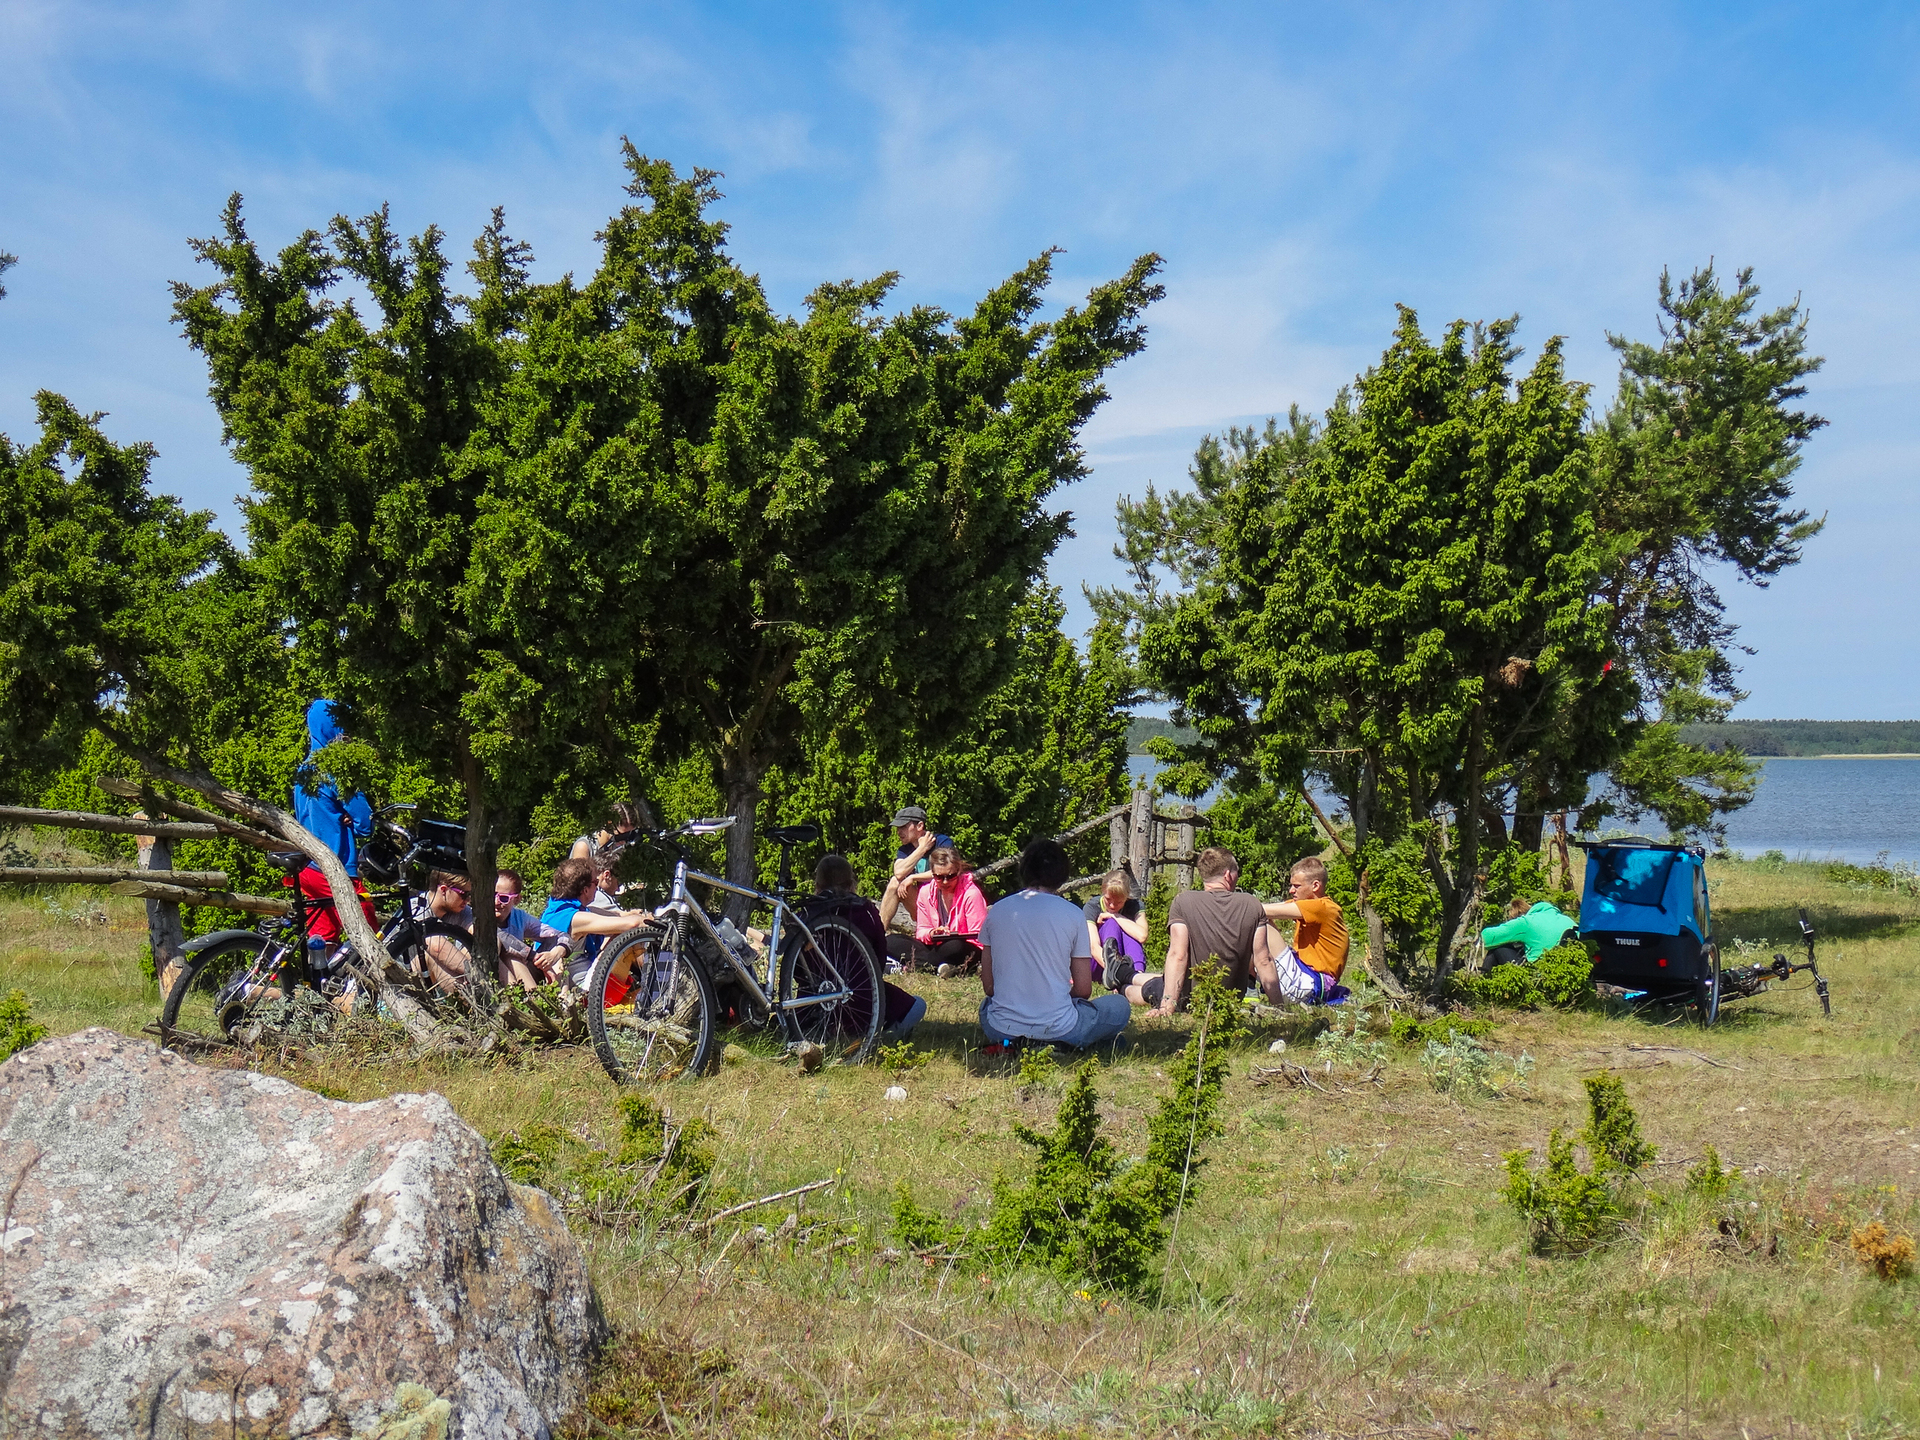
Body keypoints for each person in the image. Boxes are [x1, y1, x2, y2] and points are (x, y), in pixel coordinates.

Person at [978, 837, 1132, 1052]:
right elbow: (1083, 989)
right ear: (1061, 874)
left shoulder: (997, 911)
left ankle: (1026, 1043)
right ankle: (1065, 1043)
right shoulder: (1073, 914)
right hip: (1060, 1026)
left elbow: (989, 987)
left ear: (1024, 870)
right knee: (1120, 1006)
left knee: (986, 1006)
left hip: (1002, 1029)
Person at [1127, 846, 1283, 1015]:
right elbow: (1264, 960)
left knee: (1142, 988)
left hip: (1188, 1000)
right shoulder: (1252, 904)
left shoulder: (1184, 902)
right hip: (1229, 1000)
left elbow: (1178, 955)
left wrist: (1166, 1008)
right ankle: (1124, 976)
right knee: (1149, 982)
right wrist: (1279, 1007)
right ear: (1227, 875)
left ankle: (1123, 980)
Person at [804, 854, 926, 1040]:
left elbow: (797, 967)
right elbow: (879, 957)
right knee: (917, 1005)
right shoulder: (865, 910)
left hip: (813, 996)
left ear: (817, 885)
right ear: (851, 883)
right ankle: (888, 1034)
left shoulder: (807, 912)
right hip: (862, 993)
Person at [291, 698, 377, 944]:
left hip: (308, 867)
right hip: (334, 867)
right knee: (371, 935)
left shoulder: (304, 770)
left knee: (324, 938)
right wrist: (351, 822)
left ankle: (321, 970)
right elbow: (365, 823)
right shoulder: (336, 771)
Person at [540, 857, 657, 992]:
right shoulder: (576, 918)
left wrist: (638, 914)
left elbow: (618, 916)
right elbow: (632, 924)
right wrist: (652, 922)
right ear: (585, 890)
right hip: (584, 988)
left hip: (588, 976)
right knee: (624, 934)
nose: (598, 888)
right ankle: (655, 984)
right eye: (595, 883)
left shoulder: (560, 909)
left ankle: (651, 983)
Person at [1259, 855, 1351, 1005]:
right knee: (1257, 917)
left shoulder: (1323, 907)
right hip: (1305, 978)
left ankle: (1251, 988)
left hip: (1312, 984)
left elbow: (1261, 910)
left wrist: (1233, 904)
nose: (1291, 890)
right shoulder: (1309, 906)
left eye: (1297, 886)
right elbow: (1273, 908)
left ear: (1315, 886)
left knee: (1260, 920)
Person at [912, 844, 987, 976]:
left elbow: (978, 937)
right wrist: (932, 933)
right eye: (939, 877)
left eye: (950, 876)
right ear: (932, 874)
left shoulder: (971, 894)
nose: (945, 882)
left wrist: (952, 935)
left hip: (962, 947)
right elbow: (921, 931)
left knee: (954, 946)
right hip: (934, 945)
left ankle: (915, 965)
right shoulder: (925, 892)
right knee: (893, 941)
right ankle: (941, 967)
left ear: (958, 871)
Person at [878, 805, 951, 939]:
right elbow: (898, 873)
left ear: (920, 826)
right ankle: (877, 936)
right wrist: (922, 849)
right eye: (898, 828)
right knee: (895, 882)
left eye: (903, 827)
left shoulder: (942, 842)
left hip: (945, 906)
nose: (899, 832)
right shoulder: (905, 849)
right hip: (923, 907)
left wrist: (913, 878)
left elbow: (945, 872)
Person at [492, 868, 568, 993]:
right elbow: (501, 937)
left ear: (517, 899)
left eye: (503, 898)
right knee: (511, 956)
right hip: (492, 972)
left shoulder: (520, 918)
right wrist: (533, 955)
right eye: (492, 895)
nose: (496, 902)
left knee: (555, 948)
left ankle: (562, 998)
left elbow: (561, 935)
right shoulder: (479, 916)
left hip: (520, 972)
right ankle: (527, 997)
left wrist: (557, 953)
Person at [1084, 869, 1147, 991]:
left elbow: (1142, 936)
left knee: (1128, 929)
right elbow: (1093, 947)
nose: (1112, 906)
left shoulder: (1135, 905)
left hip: (1125, 962)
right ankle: (1121, 975)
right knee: (1111, 924)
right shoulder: (1092, 907)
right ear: (1103, 891)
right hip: (1099, 963)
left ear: (1127, 897)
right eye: (1108, 900)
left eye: (1119, 902)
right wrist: (1116, 972)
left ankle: (1138, 974)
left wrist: (1115, 916)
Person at [1480, 897, 1577, 966]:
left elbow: (1487, 938)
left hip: (1540, 972)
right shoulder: (1568, 920)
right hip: (1569, 967)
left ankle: (1484, 983)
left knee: (1498, 947)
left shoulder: (1527, 922)